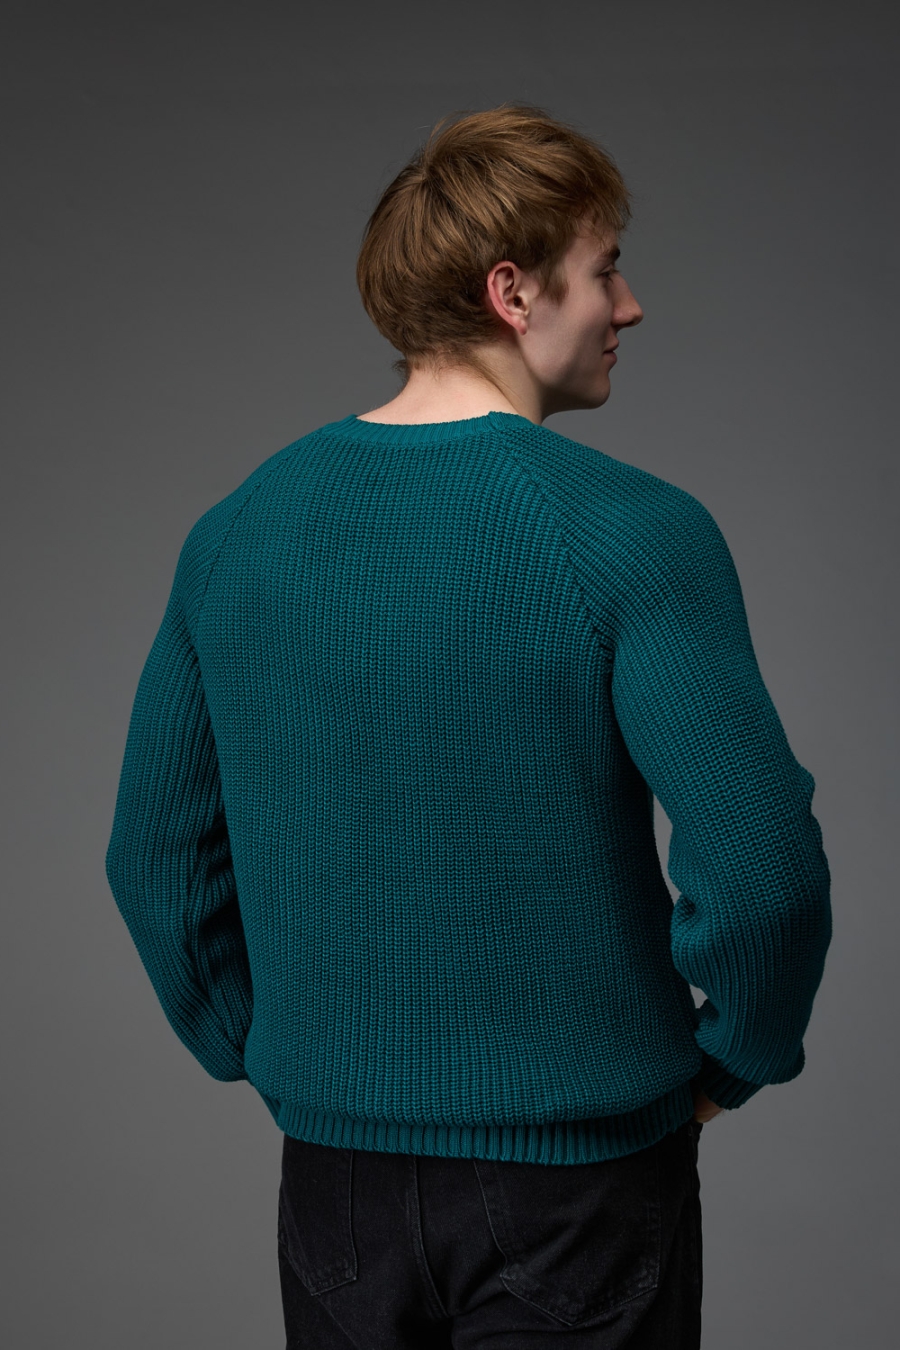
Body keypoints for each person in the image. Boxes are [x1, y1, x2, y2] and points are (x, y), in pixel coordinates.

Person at [106, 103, 833, 1348]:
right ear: (513, 291)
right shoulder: (631, 530)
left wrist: (265, 1052)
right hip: (582, 1185)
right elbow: (762, 866)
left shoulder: (236, 531)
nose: (630, 305)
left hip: (333, 1185)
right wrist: (734, 1060)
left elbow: (156, 861)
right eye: (604, 270)